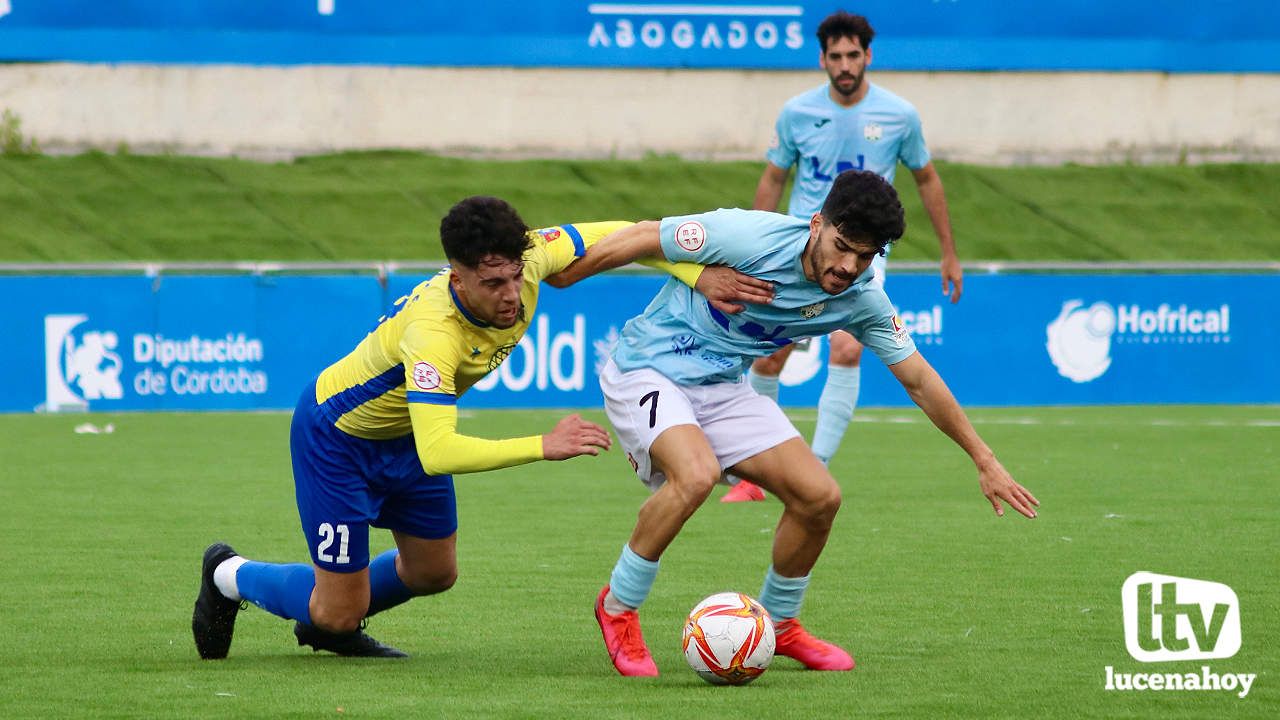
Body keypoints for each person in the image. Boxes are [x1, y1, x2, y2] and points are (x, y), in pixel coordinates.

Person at [191, 196, 774, 659]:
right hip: (338, 442)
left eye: (516, 276)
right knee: (337, 613)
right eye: (492, 283)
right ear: (458, 277)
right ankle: (229, 576)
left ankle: (335, 605)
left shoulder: (529, 259)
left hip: (405, 439)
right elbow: (440, 449)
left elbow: (632, 232)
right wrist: (542, 446)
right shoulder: (433, 334)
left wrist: (696, 273)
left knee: (434, 572)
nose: (511, 295)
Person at [551, 169, 1037, 677]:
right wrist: (568, 275)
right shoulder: (747, 236)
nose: (848, 266)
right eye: (842, 246)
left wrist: (985, 459)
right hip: (647, 369)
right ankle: (618, 607)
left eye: (865, 256)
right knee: (694, 476)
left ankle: (780, 624)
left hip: (722, 388)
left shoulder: (863, 297)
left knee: (819, 497)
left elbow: (918, 378)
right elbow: (646, 233)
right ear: (816, 224)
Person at [725, 10, 963, 503]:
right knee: (768, 358)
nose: (845, 64)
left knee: (848, 346)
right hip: (798, 248)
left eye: (853, 55)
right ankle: (757, 477)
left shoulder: (900, 115)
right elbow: (774, 178)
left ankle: (816, 470)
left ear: (868, 56)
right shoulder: (796, 114)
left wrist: (949, 254)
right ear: (823, 59)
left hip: (861, 256)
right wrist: (746, 246)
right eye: (835, 56)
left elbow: (927, 180)